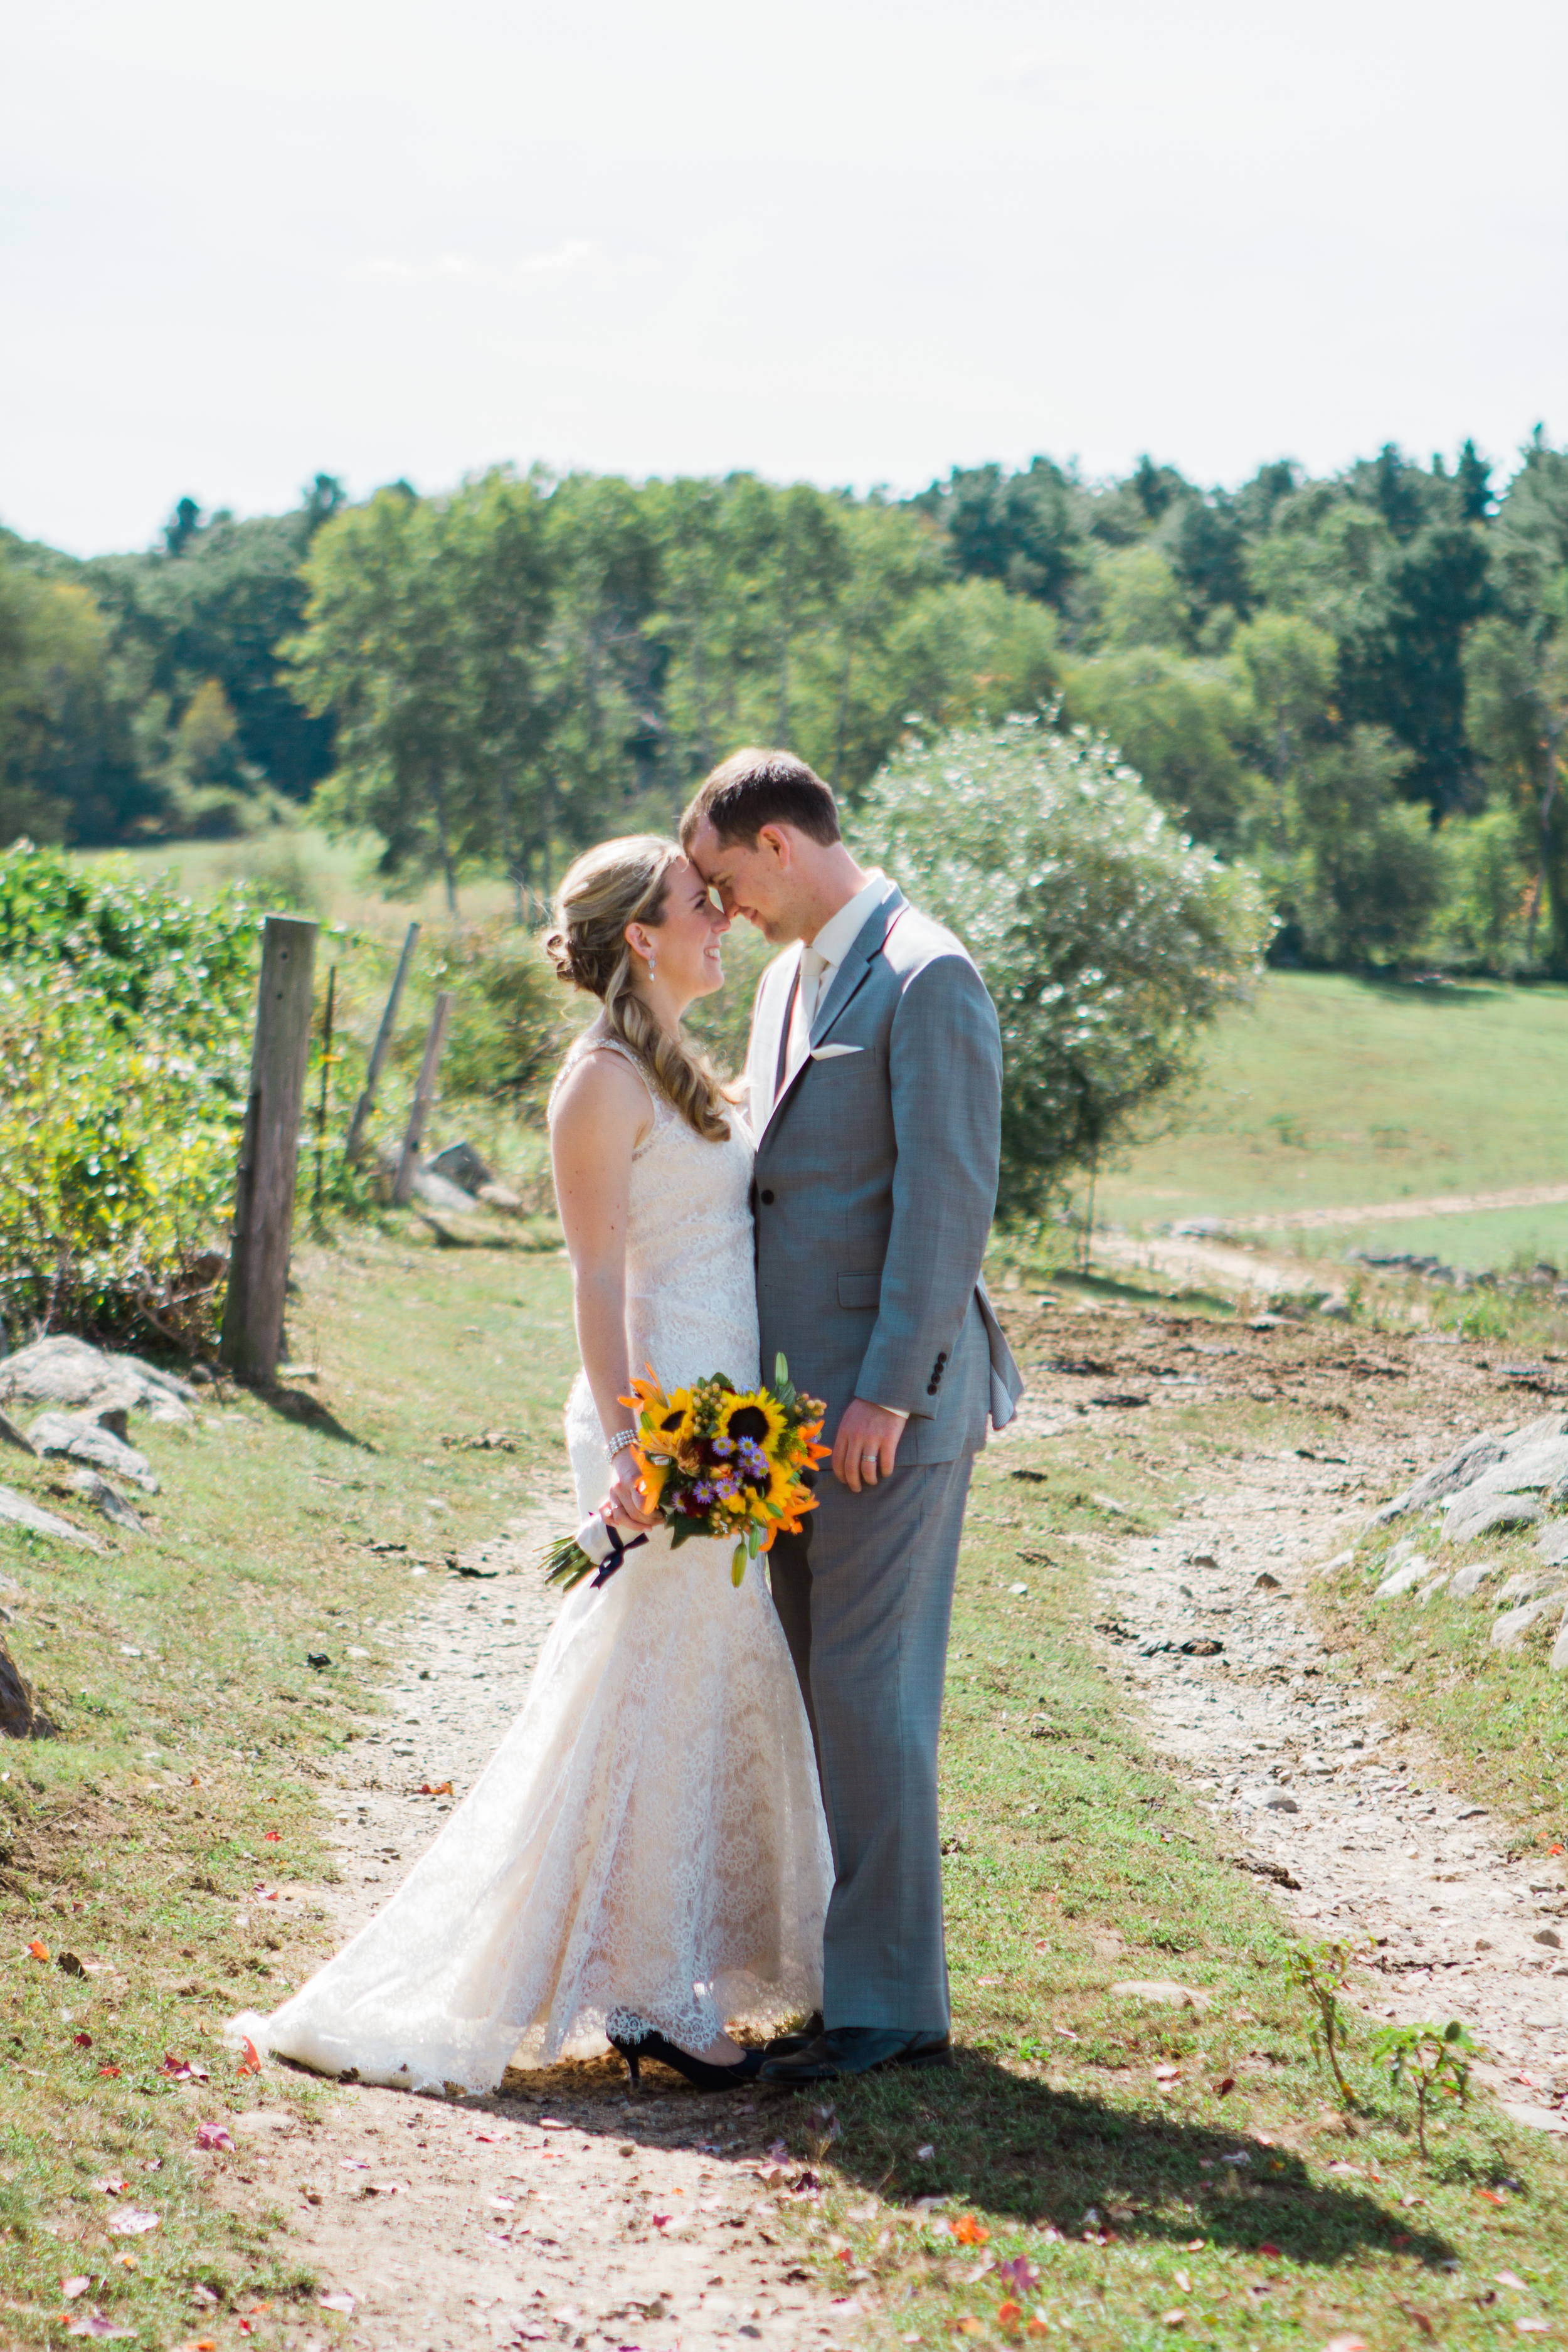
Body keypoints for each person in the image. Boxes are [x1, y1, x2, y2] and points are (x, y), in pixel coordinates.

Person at [233, 836, 831, 2096]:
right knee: (640, 1686)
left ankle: (672, 1968)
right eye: (695, 904)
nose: (719, 918)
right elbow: (597, 1276)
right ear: (639, 938)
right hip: (656, 1422)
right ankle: (645, 1995)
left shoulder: (681, 1067)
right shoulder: (600, 1082)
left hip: (722, 1420)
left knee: (695, 1680)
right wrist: (631, 1446)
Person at [682, 749, 1023, 2084]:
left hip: (889, 1410)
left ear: (777, 843)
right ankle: (848, 1978)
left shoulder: (929, 973)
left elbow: (947, 1201)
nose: (725, 911)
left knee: (872, 1694)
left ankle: (891, 2009)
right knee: (817, 1691)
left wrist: (885, 1386)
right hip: (781, 1417)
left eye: (724, 880)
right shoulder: (783, 978)